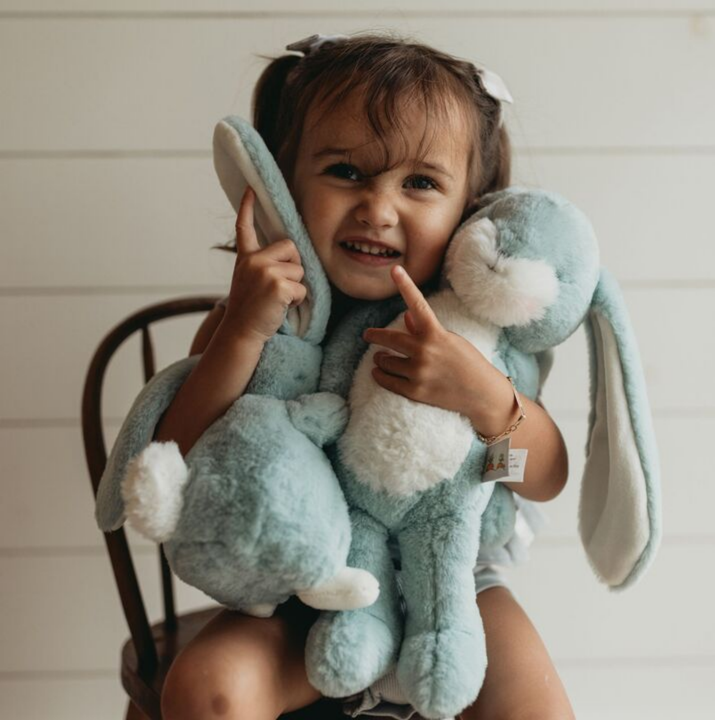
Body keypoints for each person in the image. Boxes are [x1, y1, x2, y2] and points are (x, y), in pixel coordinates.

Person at [150, 33, 575, 720]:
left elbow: (547, 477)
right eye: (346, 171)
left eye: (420, 183)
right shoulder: (259, 322)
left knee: (536, 706)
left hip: (450, 587)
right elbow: (173, 459)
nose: (379, 207)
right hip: (296, 586)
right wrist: (242, 333)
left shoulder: (474, 336)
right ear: (284, 182)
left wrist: (489, 400)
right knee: (209, 688)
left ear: (471, 206)